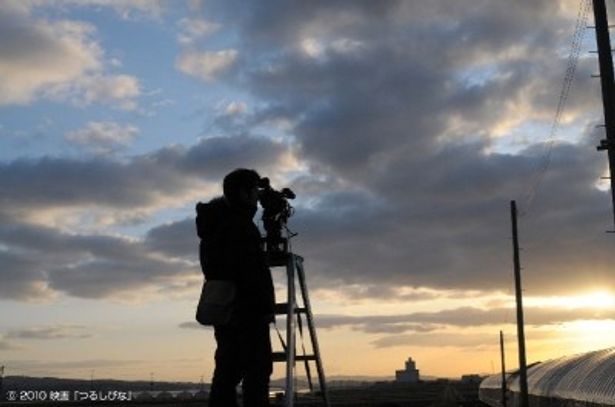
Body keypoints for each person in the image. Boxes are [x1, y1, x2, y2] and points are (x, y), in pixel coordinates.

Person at [195, 168, 275, 407]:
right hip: (248, 312)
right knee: (257, 373)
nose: (257, 197)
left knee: (226, 373)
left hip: (224, 310)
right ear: (243, 193)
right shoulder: (238, 226)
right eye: (254, 191)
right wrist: (264, 308)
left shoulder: (215, 224)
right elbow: (250, 274)